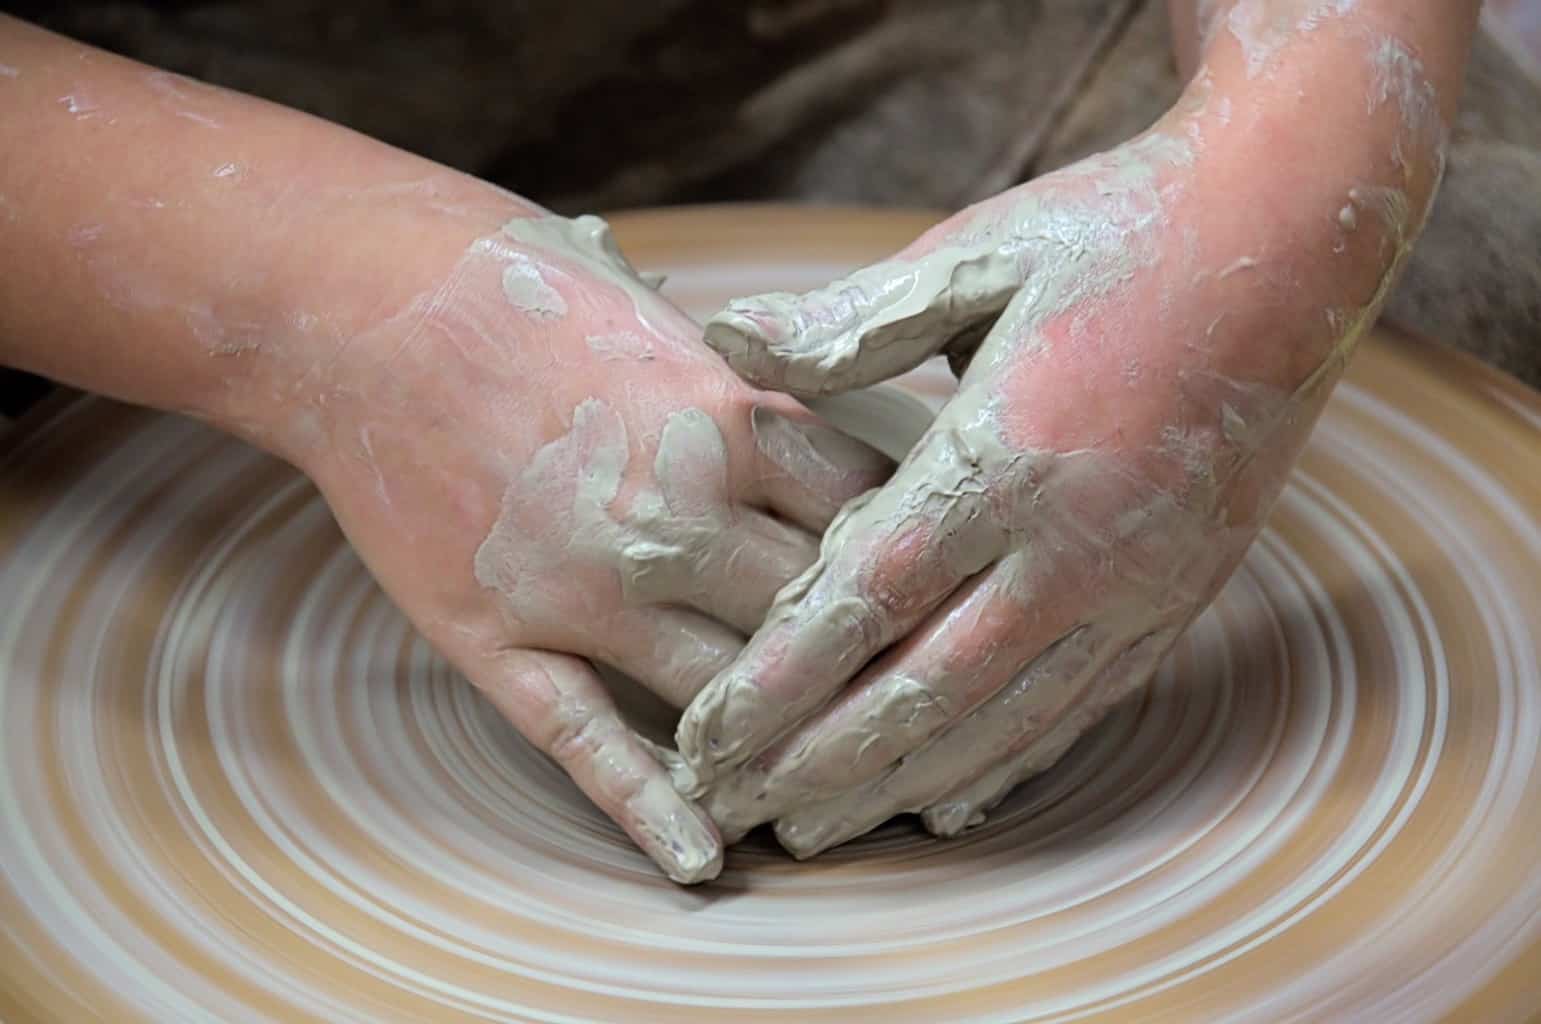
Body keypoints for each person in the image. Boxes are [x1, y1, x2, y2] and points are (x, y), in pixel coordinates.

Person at [0, 1, 1481, 883]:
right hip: (111, 110)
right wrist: (320, 300)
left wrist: (1298, 170)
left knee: (1484, 272)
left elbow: (1312, 138)